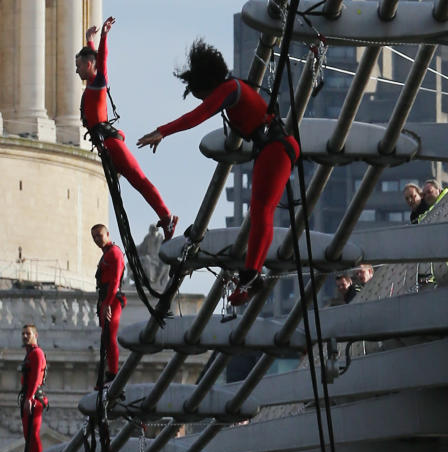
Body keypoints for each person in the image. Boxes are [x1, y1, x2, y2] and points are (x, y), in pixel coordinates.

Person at [137, 39, 300, 306]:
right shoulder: (236, 90)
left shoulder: (230, 89)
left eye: (199, 91)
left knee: (261, 212)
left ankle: (251, 274)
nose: (202, 98)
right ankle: (252, 273)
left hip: (275, 149)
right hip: (274, 150)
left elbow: (198, 115)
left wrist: (163, 131)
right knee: (262, 211)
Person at [76, 17, 178, 241]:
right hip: (106, 144)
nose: (77, 71)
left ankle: (167, 217)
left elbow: (101, 61)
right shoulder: (92, 83)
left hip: (111, 143)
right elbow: (95, 59)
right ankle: (165, 216)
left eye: (78, 66)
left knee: (139, 180)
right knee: (136, 181)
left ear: (88, 65)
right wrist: (90, 40)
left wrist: (103, 37)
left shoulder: (98, 82)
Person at [92, 224, 126, 385]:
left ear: (108, 234)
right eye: (94, 237)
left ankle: (113, 373)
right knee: (105, 337)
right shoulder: (106, 254)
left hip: (112, 299)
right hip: (105, 298)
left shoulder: (114, 253)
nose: (97, 239)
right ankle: (108, 373)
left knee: (110, 336)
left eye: (99, 235)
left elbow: (114, 281)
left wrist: (107, 304)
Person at [19, 325, 47, 452]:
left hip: (34, 399)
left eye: (28, 333)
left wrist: (29, 398)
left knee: (33, 434)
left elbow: (36, 377)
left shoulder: (37, 353)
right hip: (28, 398)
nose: (25, 336)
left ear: (36, 335)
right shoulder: (29, 354)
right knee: (28, 436)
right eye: (23, 334)